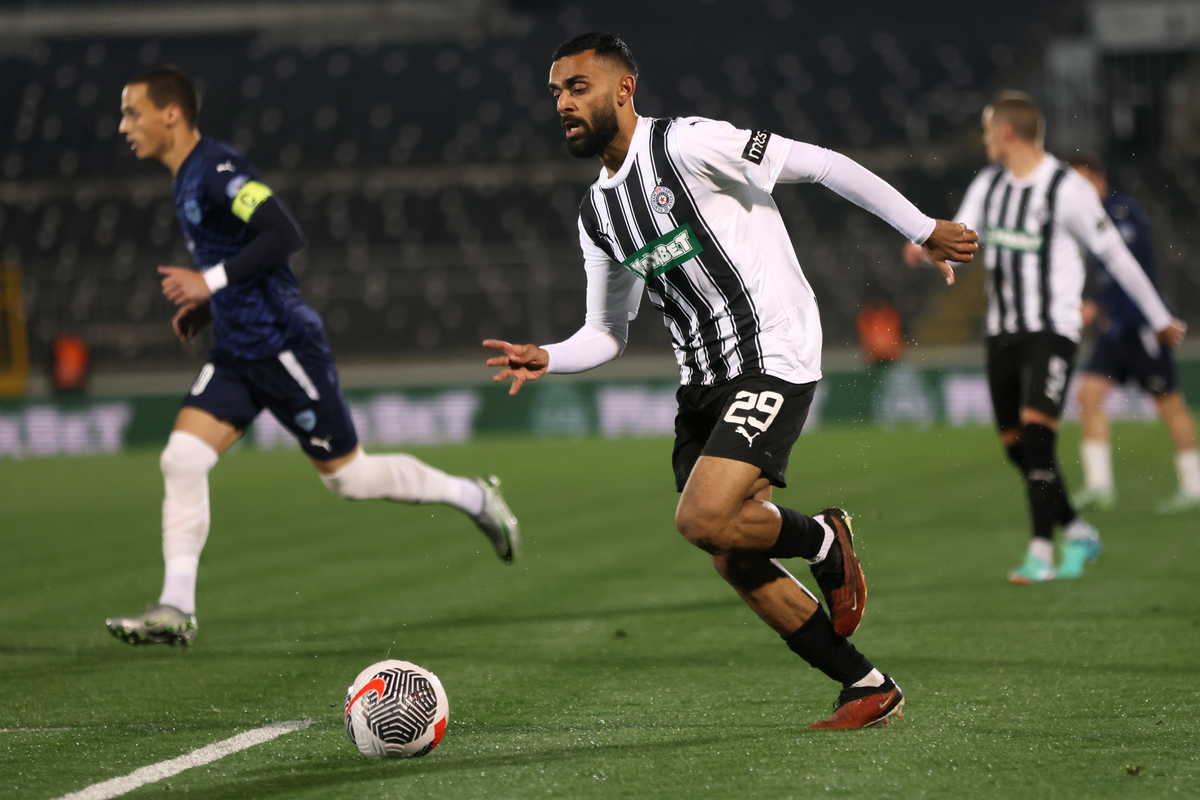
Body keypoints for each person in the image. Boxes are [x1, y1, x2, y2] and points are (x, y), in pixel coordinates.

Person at [484, 32, 979, 729]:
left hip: (771, 352)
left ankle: (824, 543)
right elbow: (607, 332)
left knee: (701, 518)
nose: (564, 103)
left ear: (624, 89)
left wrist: (922, 227)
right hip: (704, 384)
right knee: (729, 551)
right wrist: (548, 355)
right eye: (557, 92)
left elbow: (823, 164)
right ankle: (865, 685)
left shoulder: (687, 144)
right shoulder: (598, 214)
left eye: (579, 87)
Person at [106, 67, 519, 647]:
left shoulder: (217, 170)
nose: (123, 125)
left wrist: (209, 281)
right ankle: (176, 608)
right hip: (236, 352)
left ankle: (474, 496)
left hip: (283, 347)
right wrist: (212, 299)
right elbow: (242, 253)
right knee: (181, 459)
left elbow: (282, 231)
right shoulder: (183, 177)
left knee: (350, 478)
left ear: (170, 114)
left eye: (132, 112)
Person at [903, 93, 1187, 584]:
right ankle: (1078, 531)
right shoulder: (990, 184)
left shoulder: (1066, 187)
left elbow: (1115, 255)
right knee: (1017, 447)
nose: (986, 139)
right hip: (1003, 333)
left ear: (1007, 133)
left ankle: (1041, 553)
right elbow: (961, 233)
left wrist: (1160, 316)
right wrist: (925, 244)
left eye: (989, 130)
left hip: (1053, 330)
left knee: (1036, 437)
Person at [1066, 154, 1200, 515]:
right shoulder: (1085, 218)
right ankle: (1099, 486)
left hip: (1142, 326)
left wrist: (1095, 303)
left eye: (1081, 182)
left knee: (1169, 405)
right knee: (1088, 395)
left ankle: (1194, 485)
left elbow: (1128, 269)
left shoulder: (1123, 213)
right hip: (1114, 331)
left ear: (1099, 178)